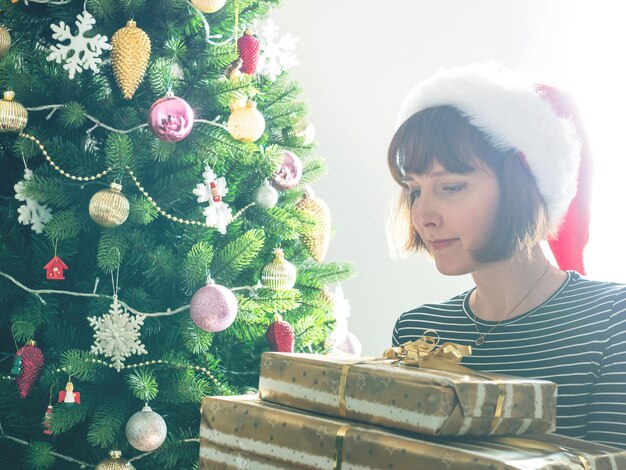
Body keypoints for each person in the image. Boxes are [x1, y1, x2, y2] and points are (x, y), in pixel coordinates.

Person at [387, 63, 626, 449]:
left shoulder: (613, 322)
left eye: (450, 186)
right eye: (414, 190)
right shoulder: (418, 331)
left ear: (522, 187)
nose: (422, 216)